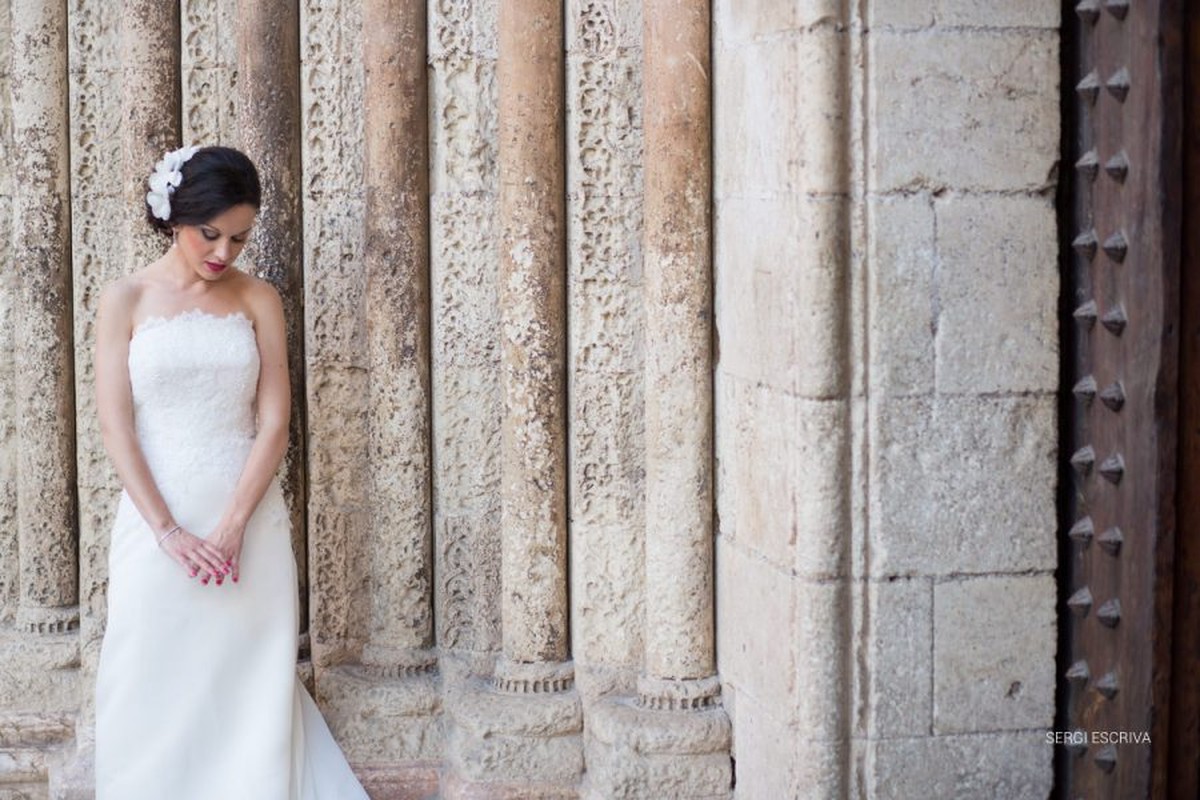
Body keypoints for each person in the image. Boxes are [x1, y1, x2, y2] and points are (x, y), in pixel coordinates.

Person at [93, 145, 368, 799]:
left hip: (246, 520)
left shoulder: (257, 298)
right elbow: (116, 424)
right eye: (209, 233)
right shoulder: (124, 299)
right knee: (147, 666)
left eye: (239, 237)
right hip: (157, 519)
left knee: (246, 675)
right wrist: (169, 533)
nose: (223, 252)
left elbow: (274, 422)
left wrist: (232, 526)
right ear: (173, 218)